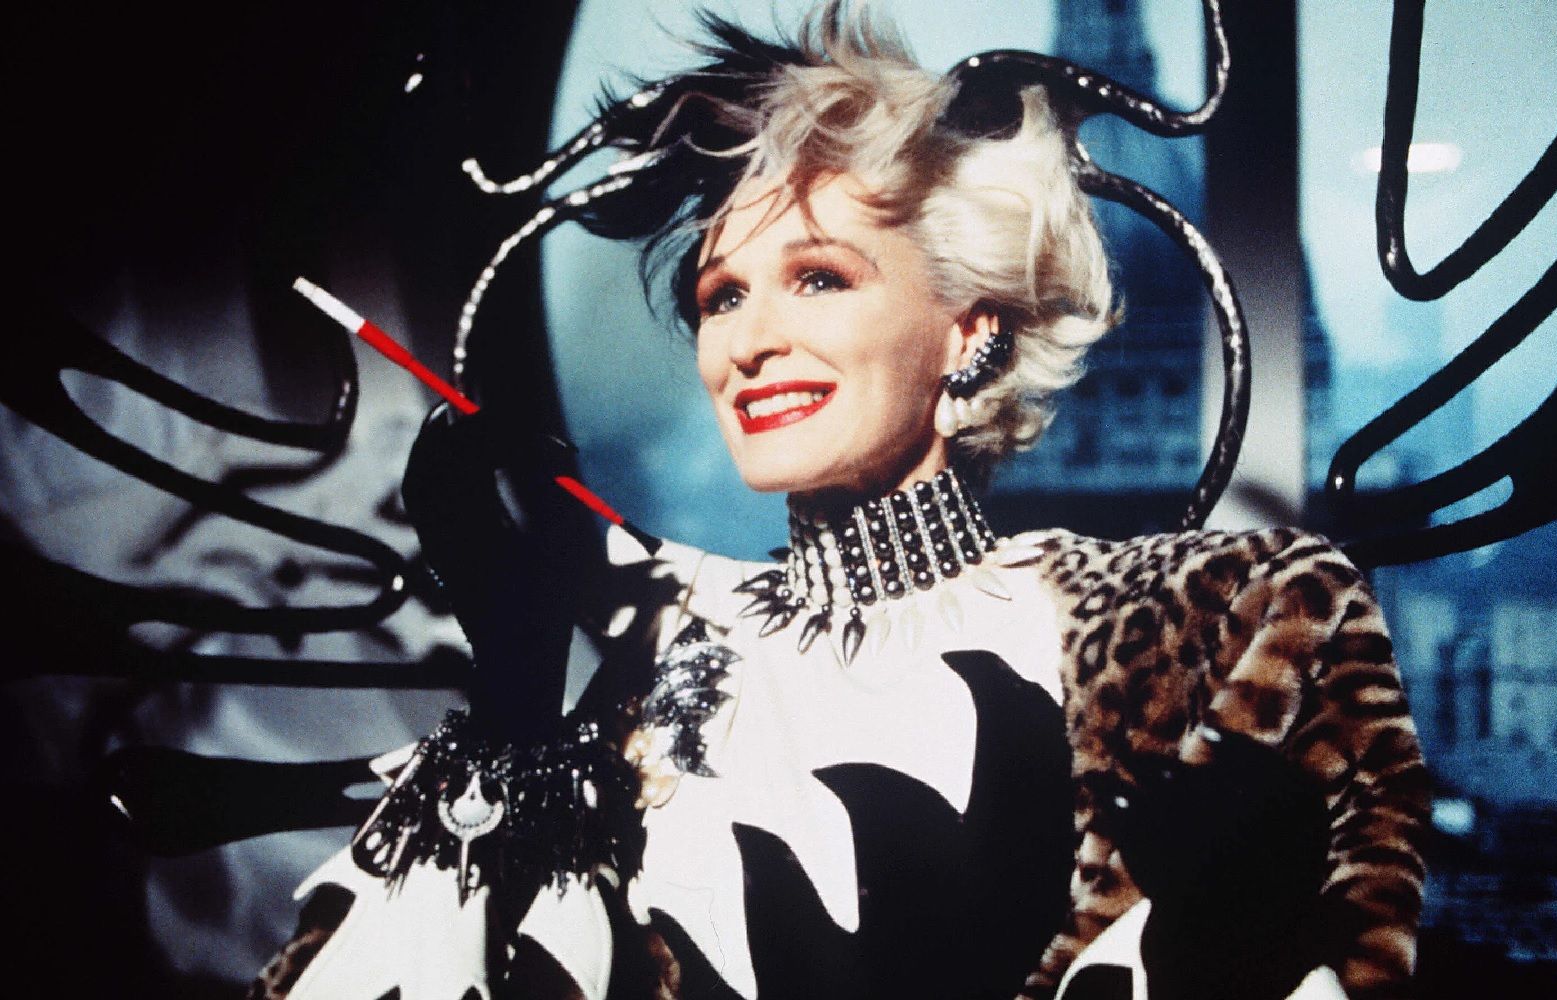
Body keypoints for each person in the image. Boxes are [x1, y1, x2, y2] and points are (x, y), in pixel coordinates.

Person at [251, 4, 1428, 999]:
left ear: (968, 332)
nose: (750, 340)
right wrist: (512, 719)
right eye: (720, 295)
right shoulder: (655, 637)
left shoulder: (1219, 618)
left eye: (818, 277)